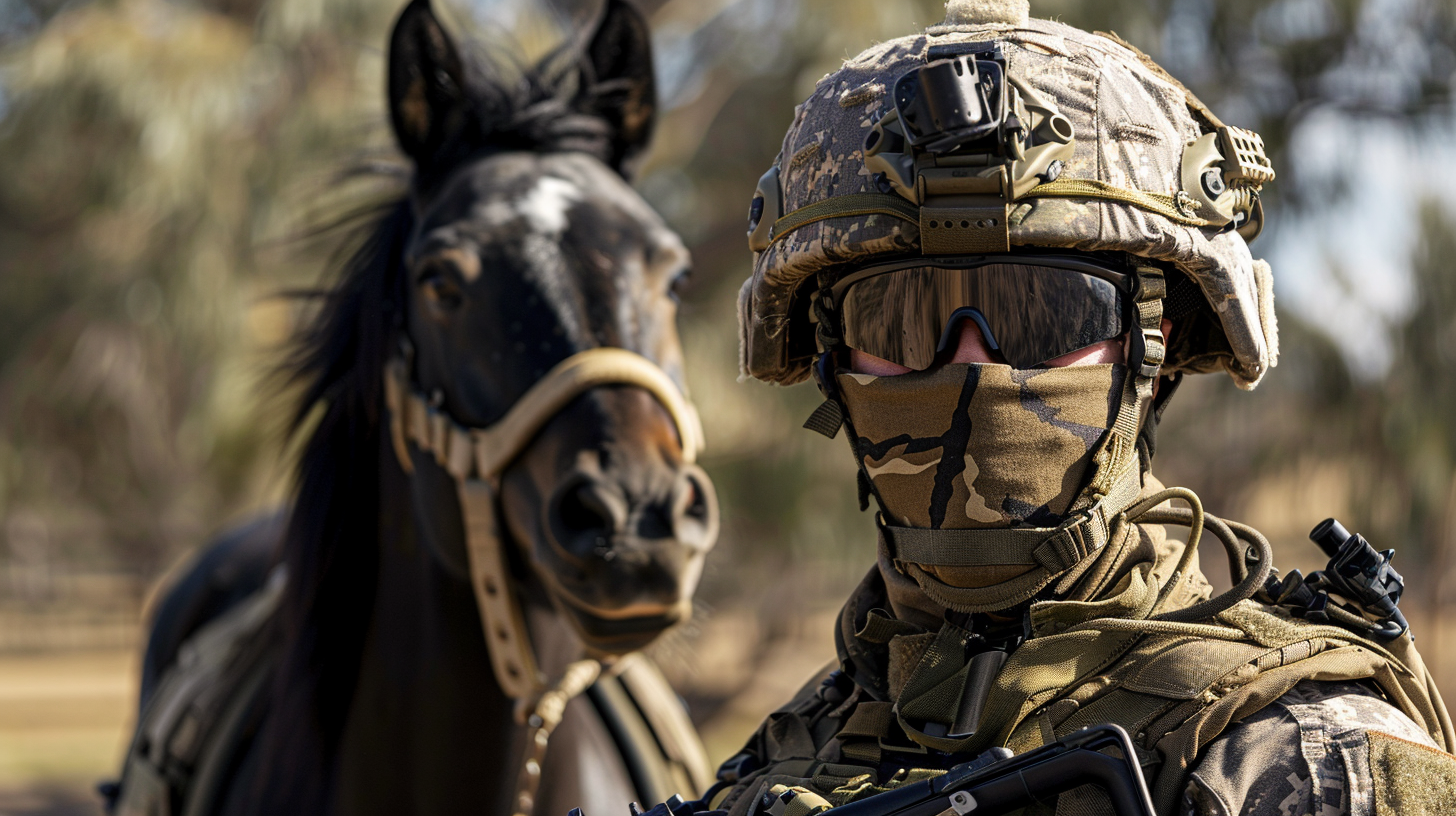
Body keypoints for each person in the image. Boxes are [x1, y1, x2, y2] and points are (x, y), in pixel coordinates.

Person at [711, 1, 1456, 814]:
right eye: (903, 322)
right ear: (832, 364)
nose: (974, 369)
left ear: (1153, 349)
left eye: (1044, 316)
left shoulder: (1300, 762)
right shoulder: (799, 744)